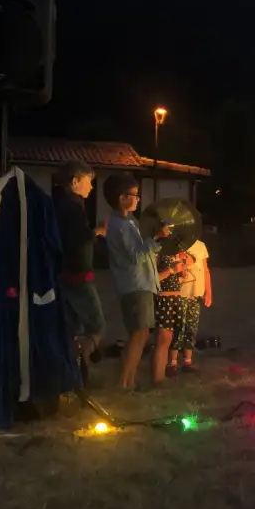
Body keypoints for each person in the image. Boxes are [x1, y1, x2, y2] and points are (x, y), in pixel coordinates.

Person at [104, 173, 184, 389]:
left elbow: (143, 252)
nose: (138, 199)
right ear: (121, 198)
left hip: (142, 283)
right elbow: (135, 256)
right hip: (135, 285)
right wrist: (155, 238)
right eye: (134, 195)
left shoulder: (129, 222)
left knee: (141, 333)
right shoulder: (120, 225)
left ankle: (130, 381)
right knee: (138, 333)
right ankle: (124, 382)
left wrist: (158, 239)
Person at [52, 161, 107, 367]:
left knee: (72, 326)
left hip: (62, 273)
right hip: (77, 275)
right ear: (75, 182)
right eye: (88, 181)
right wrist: (97, 232)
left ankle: (70, 368)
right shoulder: (73, 206)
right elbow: (76, 240)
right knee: (97, 325)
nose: (91, 187)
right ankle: (81, 361)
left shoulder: (57, 203)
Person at [168, 238, 212, 375]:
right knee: (178, 328)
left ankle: (187, 361)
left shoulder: (200, 245)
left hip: (195, 294)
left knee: (191, 328)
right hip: (180, 294)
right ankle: (172, 363)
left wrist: (208, 291)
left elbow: (205, 269)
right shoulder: (176, 245)